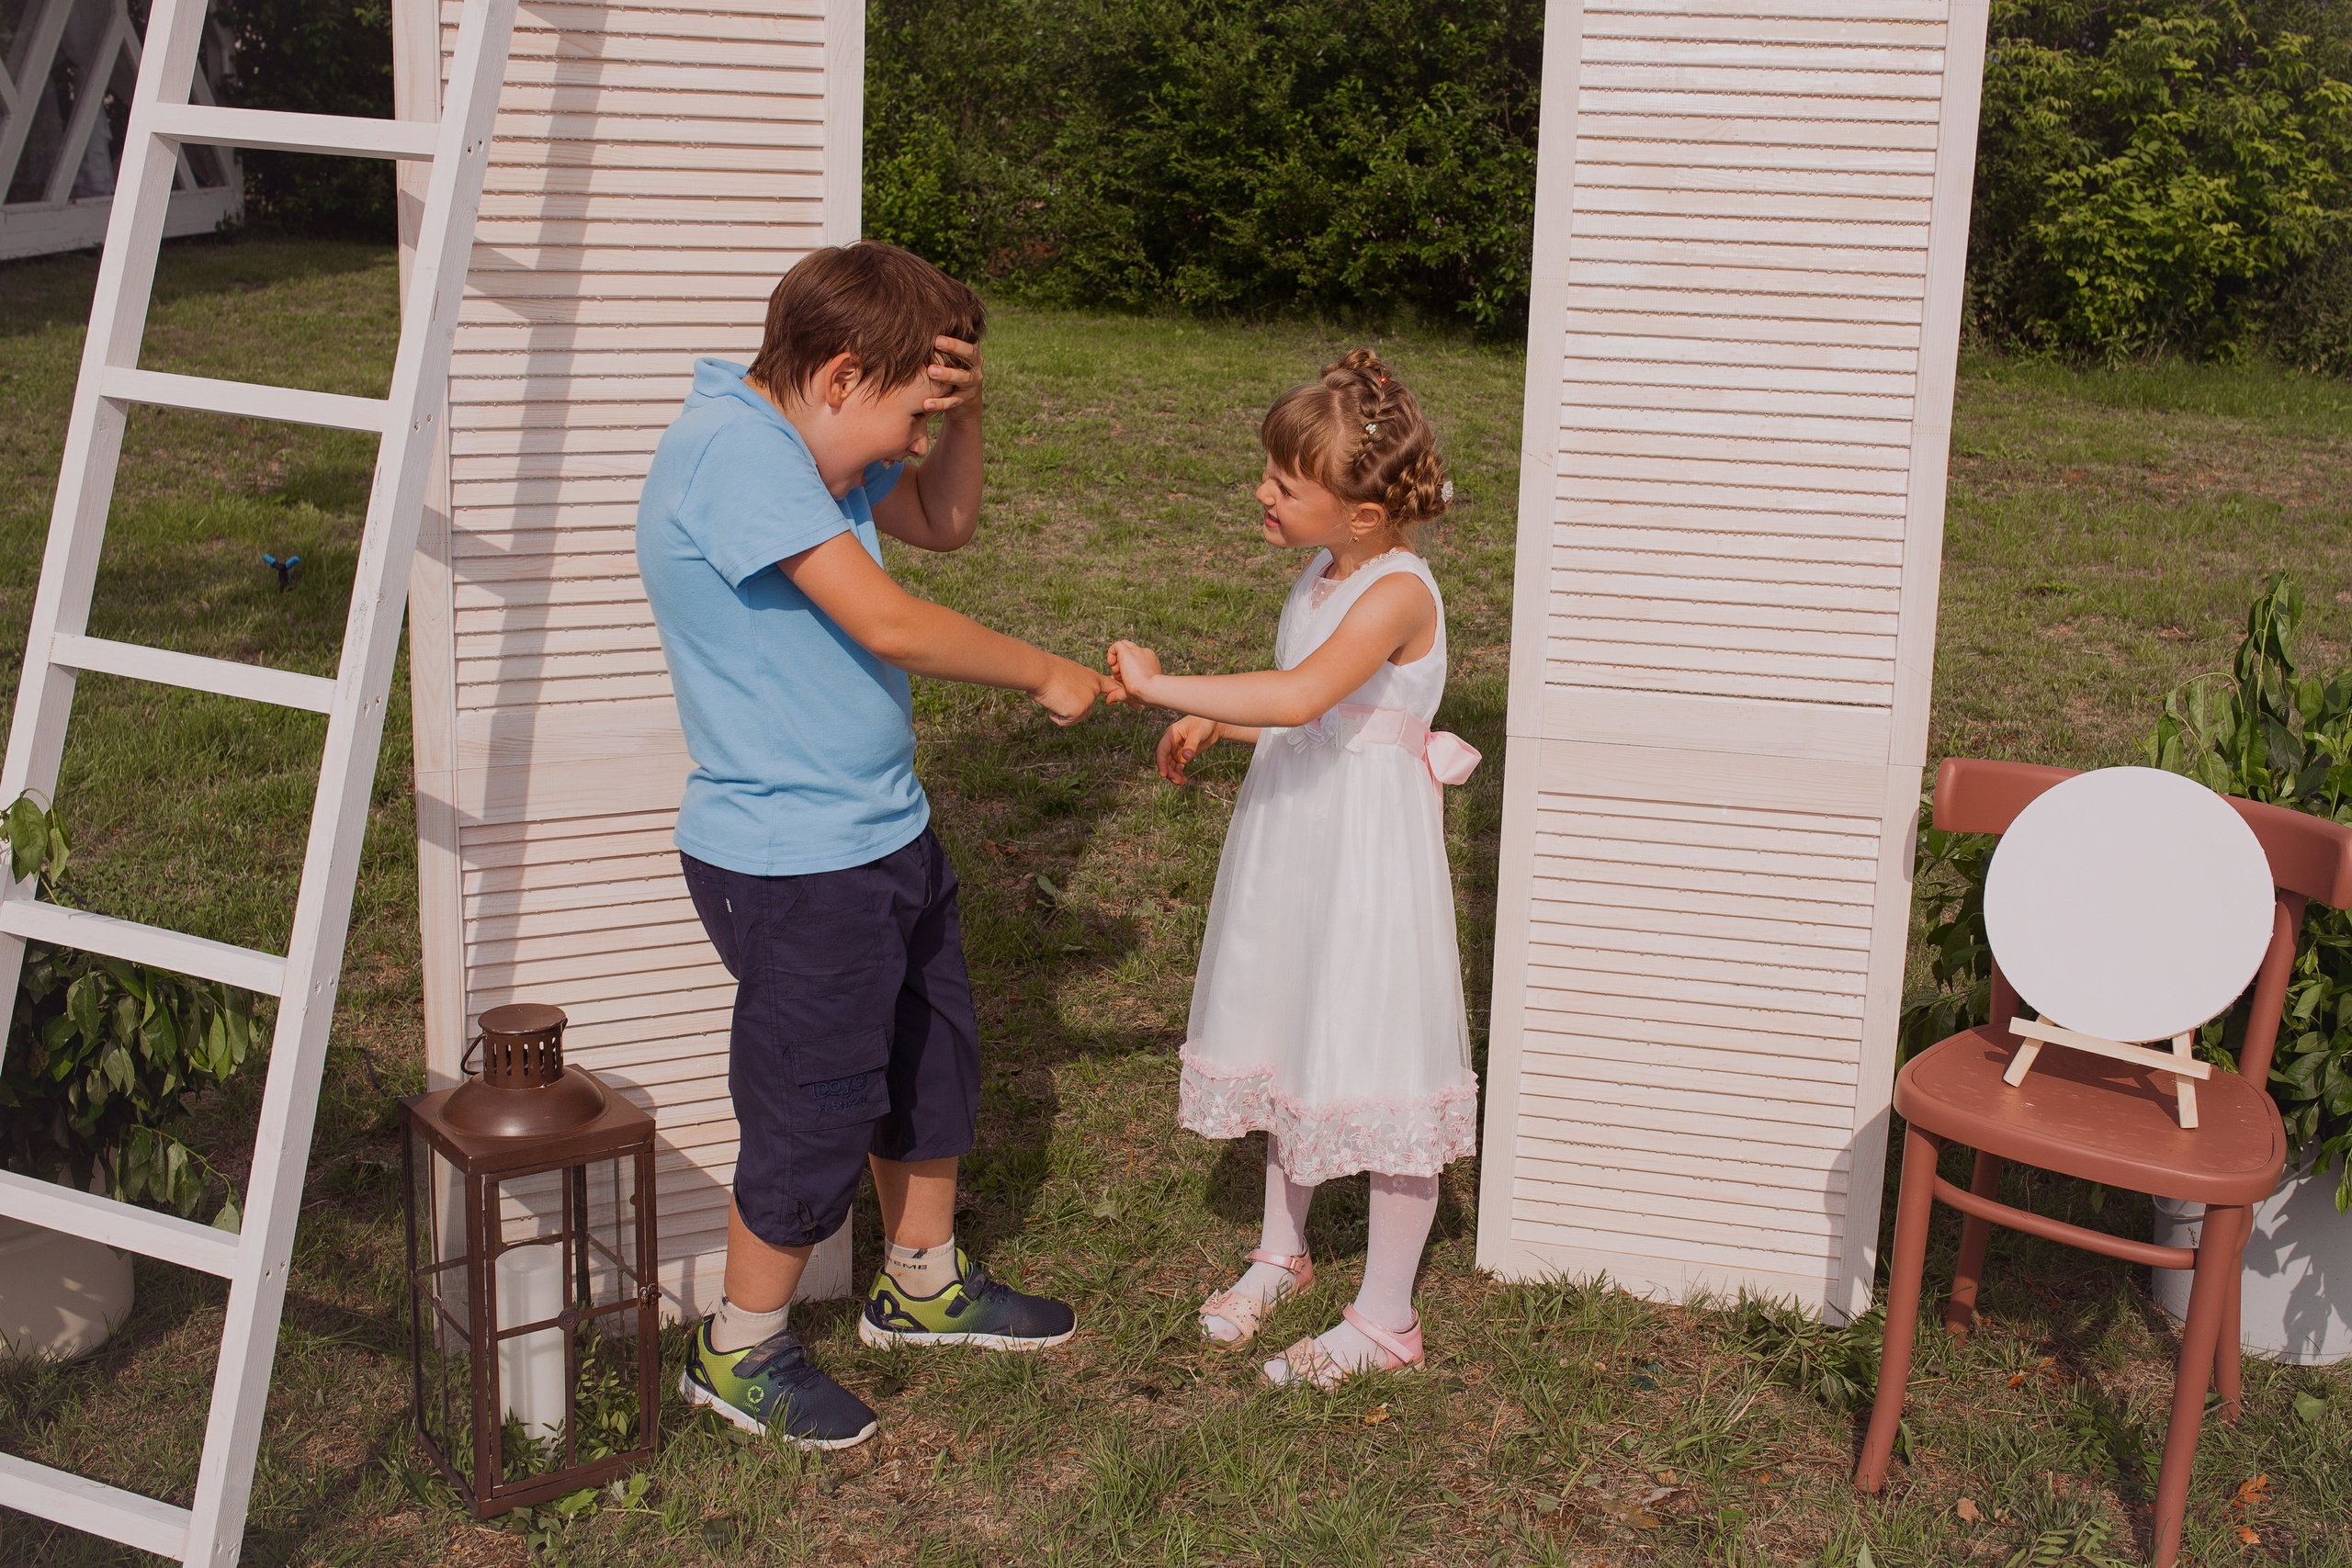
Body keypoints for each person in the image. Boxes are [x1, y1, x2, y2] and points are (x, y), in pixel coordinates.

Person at [638, 242, 1119, 1450]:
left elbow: (944, 521)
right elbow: (890, 616)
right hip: (796, 861)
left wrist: (960, 413)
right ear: (844, 374)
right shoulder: (737, 455)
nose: (915, 442)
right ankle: (735, 1347)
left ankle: (921, 1281)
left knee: (927, 1057)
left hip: (878, 827)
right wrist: (1043, 669)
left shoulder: (812, 445)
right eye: (911, 411)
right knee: (813, 1095)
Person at [1108, 350, 1480, 1387]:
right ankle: (1283, 1250)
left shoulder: (1399, 590)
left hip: (1366, 857)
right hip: (1296, 837)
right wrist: (1211, 722)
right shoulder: (1327, 570)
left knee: (1380, 1053)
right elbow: (1305, 702)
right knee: (1288, 1028)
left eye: (1283, 482)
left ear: (1361, 513)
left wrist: (1157, 684)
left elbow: (1306, 697)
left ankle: (1387, 1315)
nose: (1260, 493)